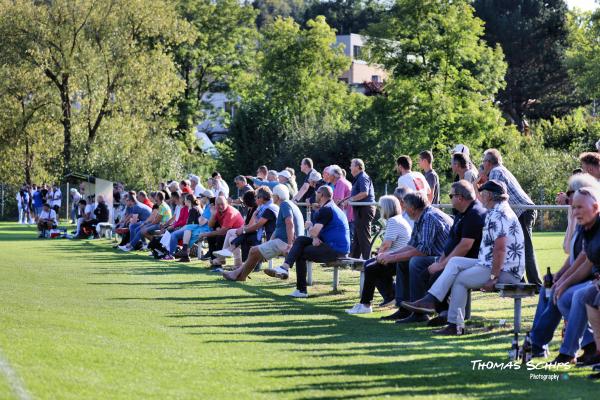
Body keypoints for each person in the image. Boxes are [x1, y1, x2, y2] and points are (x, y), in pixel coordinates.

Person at [402, 180, 525, 335]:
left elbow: (500, 249)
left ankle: (455, 325)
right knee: (454, 262)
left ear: (489, 195)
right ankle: (431, 299)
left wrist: (493, 278)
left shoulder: (498, 214)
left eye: (482, 194)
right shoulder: (499, 211)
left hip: (503, 271)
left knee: (459, 279)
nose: (480, 197)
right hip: (492, 264)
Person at [528, 175, 600, 360]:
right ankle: (585, 344)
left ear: (594, 204)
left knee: (571, 295)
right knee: (553, 291)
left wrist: (564, 282)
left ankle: (563, 349)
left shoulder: (593, 224)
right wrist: (560, 277)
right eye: (572, 202)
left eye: (573, 197)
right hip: (590, 279)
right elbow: (580, 258)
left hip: (591, 280)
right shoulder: (585, 225)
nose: (570, 203)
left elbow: (585, 262)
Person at [402, 180, 486, 325]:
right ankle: (425, 310)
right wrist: (440, 261)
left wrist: (441, 265)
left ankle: (437, 309)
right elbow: (451, 242)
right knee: (422, 268)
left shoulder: (475, 213)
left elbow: (465, 246)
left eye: (450, 195)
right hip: (456, 260)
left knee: (430, 270)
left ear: (460, 197)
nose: (450, 198)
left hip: (470, 262)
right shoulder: (462, 212)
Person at [378, 191, 452, 322]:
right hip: (438, 256)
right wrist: (390, 255)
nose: (403, 209)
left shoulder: (430, 217)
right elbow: (412, 245)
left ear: (412, 208)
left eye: (405, 206)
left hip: (446, 260)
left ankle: (419, 313)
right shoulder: (421, 216)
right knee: (403, 261)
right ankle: (404, 308)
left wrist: (392, 258)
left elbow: (423, 251)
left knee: (416, 262)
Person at [546, 187, 600, 364]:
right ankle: (590, 347)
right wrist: (563, 283)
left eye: (580, 207)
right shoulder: (587, 228)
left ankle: (567, 353)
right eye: (574, 207)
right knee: (563, 297)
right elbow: (587, 263)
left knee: (580, 296)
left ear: (595, 207)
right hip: (596, 281)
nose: (576, 211)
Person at [265, 185, 350, 298]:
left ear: (322, 195)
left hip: (335, 249)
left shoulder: (326, 210)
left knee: (300, 253)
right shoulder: (329, 207)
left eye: (317, 192)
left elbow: (314, 232)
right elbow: (317, 234)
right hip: (333, 246)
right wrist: (314, 236)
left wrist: (309, 226)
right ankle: (285, 267)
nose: (315, 194)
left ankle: (301, 290)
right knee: (300, 240)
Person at [483, 148, 541, 286]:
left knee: (525, 247)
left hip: (523, 211)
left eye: (483, 161)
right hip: (522, 211)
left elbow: (495, 195)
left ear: (489, 162)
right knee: (517, 247)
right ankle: (522, 281)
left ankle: (536, 285)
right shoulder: (500, 170)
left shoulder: (496, 172)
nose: (483, 164)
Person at [345, 195, 412, 314]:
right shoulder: (399, 219)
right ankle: (390, 295)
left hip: (400, 260)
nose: (380, 210)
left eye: (381, 207)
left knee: (371, 267)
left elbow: (386, 244)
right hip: (400, 258)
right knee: (370, 264)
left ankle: (366, 304)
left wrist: (379, 254)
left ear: (387, 208)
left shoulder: (393, 221)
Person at [223, 184, 305, 281]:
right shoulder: (291, 205)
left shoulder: (284, 205)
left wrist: (290, 244)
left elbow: (290, 223)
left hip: (285, 242)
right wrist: (270, 242)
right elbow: (279, 228)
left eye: (273, 195)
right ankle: (239, 274)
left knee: (253, 251)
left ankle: (240, 275)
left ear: (277, 197)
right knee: (255, 251)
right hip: (292, 242)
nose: (271, 197)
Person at [187, 196, 244, 262]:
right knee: (211, 238)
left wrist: (205, 234)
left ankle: (220, 260)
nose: (220, 206)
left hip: (238, 234)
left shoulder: (230, 212)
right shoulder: (216, 210)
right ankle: (214, 259)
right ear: (215, 204)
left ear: (227, 203)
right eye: (218, 204)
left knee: (219, 237)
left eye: (222, 204)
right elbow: (210, 225)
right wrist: (213, 215)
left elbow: (223, 231)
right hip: (228, 233)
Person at [343, 158, 376, 261]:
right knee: (358, 237)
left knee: (364, 237)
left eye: (351, 165)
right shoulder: (359, 178)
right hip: (361, 209)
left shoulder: (363, 177)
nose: (350, 167)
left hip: (364, 209)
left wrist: (351, 199)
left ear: (358, 167)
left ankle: (368, 261)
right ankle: (354, 260)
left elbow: (364, 193)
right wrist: (346, 200)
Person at [329, 165, 354, 244]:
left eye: (329, 175)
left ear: (333, 176)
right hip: (350, 215)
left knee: (346, 238)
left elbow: (337, 201)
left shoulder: (340, 183)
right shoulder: (343, 181)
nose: (328, 177)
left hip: (347, 215)